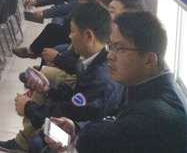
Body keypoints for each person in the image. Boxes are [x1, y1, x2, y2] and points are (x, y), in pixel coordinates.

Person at [44, 12, 187, 153]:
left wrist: (79, 136)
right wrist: (77, 128)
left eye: (119, 49)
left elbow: (110, 134)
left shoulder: (152, 117)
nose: (110, 56)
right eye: (110, 46)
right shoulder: (151, 86)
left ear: (149, 60)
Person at [0, 3, 123, 152]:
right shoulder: (96, 61)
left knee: (38, 144)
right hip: (84, 126)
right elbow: (76, 98)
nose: (70, 36)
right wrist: (49, 89)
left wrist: (28, 107)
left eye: (72, 31)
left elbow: (70, 112)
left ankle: (24, 142)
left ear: (88, 36)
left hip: (86, 139)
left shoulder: (100, 78)